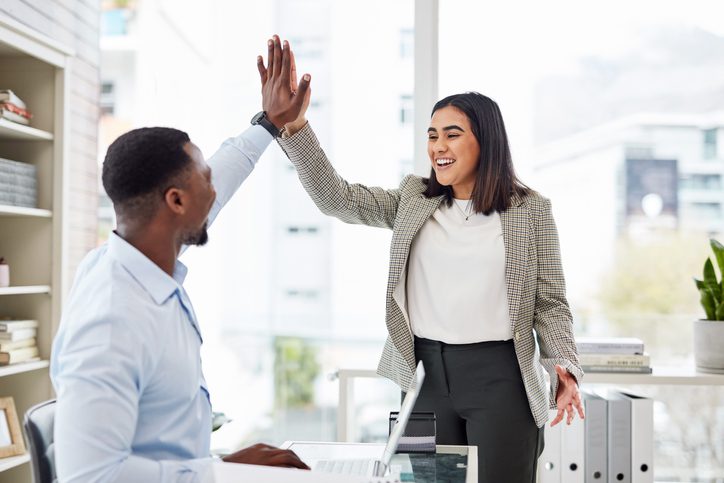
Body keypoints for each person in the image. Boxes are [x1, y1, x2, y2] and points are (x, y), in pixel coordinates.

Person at [271, 77, 585, 480]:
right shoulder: (413, 199)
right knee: (425, 479)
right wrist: (296, 128)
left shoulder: (531, 210)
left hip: (501, 378)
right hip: (423, 379)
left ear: (485, 142)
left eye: (452, 135)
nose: (438, 146)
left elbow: (551, 303)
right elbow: (338, 198)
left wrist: (563, 364)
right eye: (432, 135)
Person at [51, 36, 310, 482]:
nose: (213, 191)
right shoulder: (111, 318)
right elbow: (87, 476)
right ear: (175, 201)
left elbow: (224, 178)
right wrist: (220, 470)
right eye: (203, 179)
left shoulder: (142, 262)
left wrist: (269, 123)